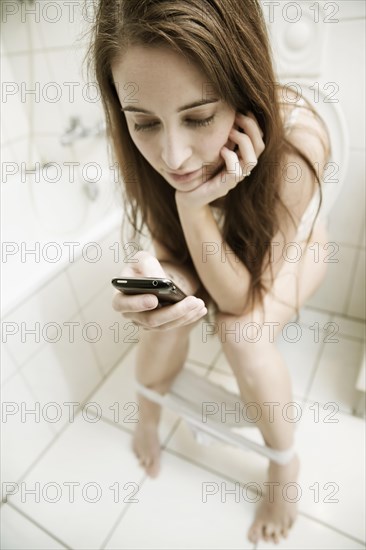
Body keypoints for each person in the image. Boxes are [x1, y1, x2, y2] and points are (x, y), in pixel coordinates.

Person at [89, 0, 331, 543]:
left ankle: (283, 466)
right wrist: (157, 286)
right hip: (215, 244)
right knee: (168, 305)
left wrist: (193, 206)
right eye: (145, 122)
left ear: (245, 96)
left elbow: (241, 298)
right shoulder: (141, 145)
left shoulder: (298, 145)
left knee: (240, 332)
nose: (172, 155)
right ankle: (147, 412)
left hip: (291, 249)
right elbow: (175, 253)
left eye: (199, 117)